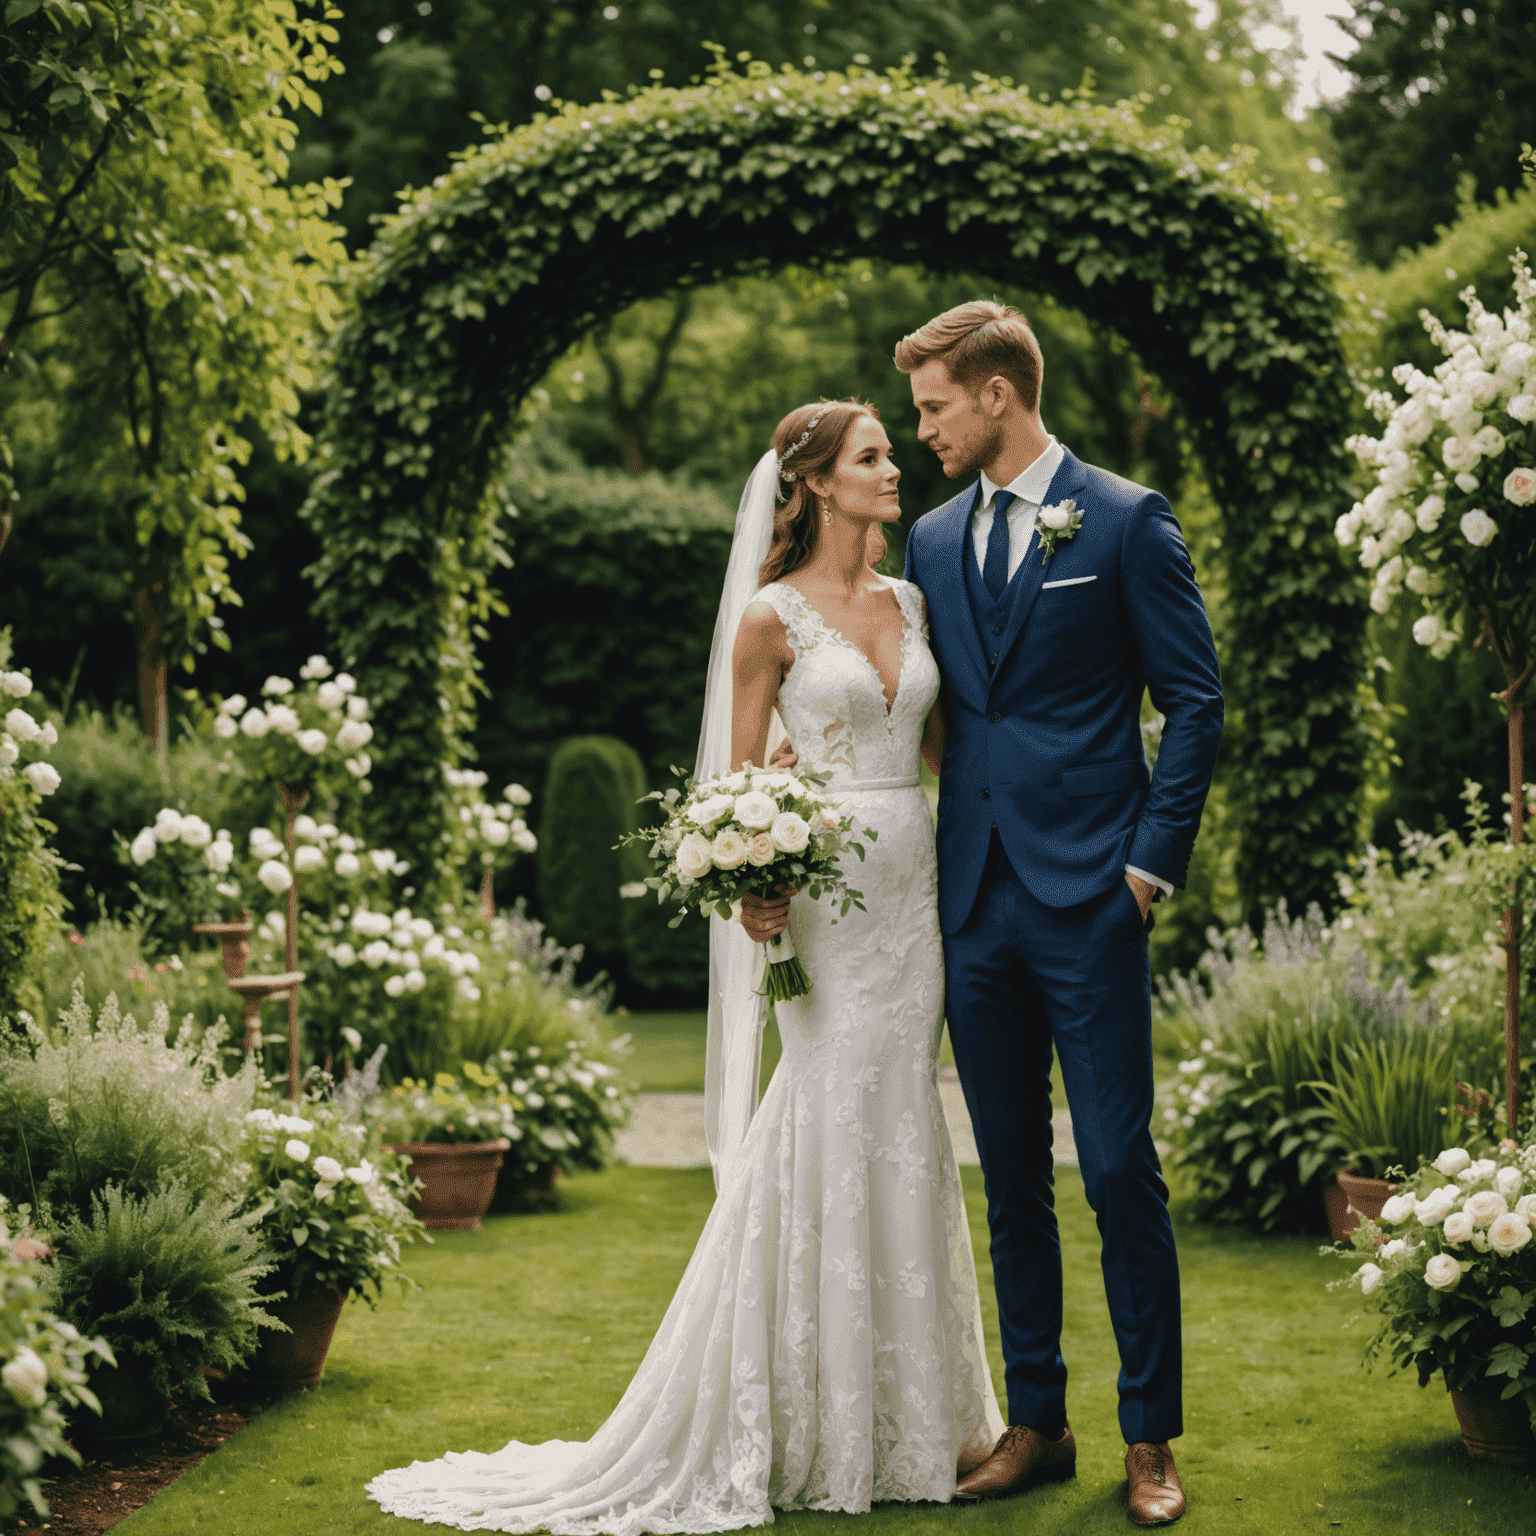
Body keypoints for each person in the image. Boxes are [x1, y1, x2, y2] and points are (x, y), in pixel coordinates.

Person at [366, 398, 1004, 1533]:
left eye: (892, 453)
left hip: (917, 897)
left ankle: (920, 1421)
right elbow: (734, 774)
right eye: (871, 456)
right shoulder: (768, 618)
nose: (893, 468)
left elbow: (949, 750)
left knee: (905, 1114)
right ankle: (806, 1417)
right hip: (826, 903)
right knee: (825, 1110)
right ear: (810, 483)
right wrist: (753, 869)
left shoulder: (912, 600)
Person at [895, 300, 1223, 1525]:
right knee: (1012, 1177)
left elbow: (1196, 701)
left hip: (1094, 896)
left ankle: (1151, 1438)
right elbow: (936, 708)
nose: (921, 429)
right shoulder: (930, 539)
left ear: (996, 394)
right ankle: (1038, 1421)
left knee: (1119, 1169)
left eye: (934, 407)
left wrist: (1148, 866)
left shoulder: (1128, 521)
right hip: (973, 900)